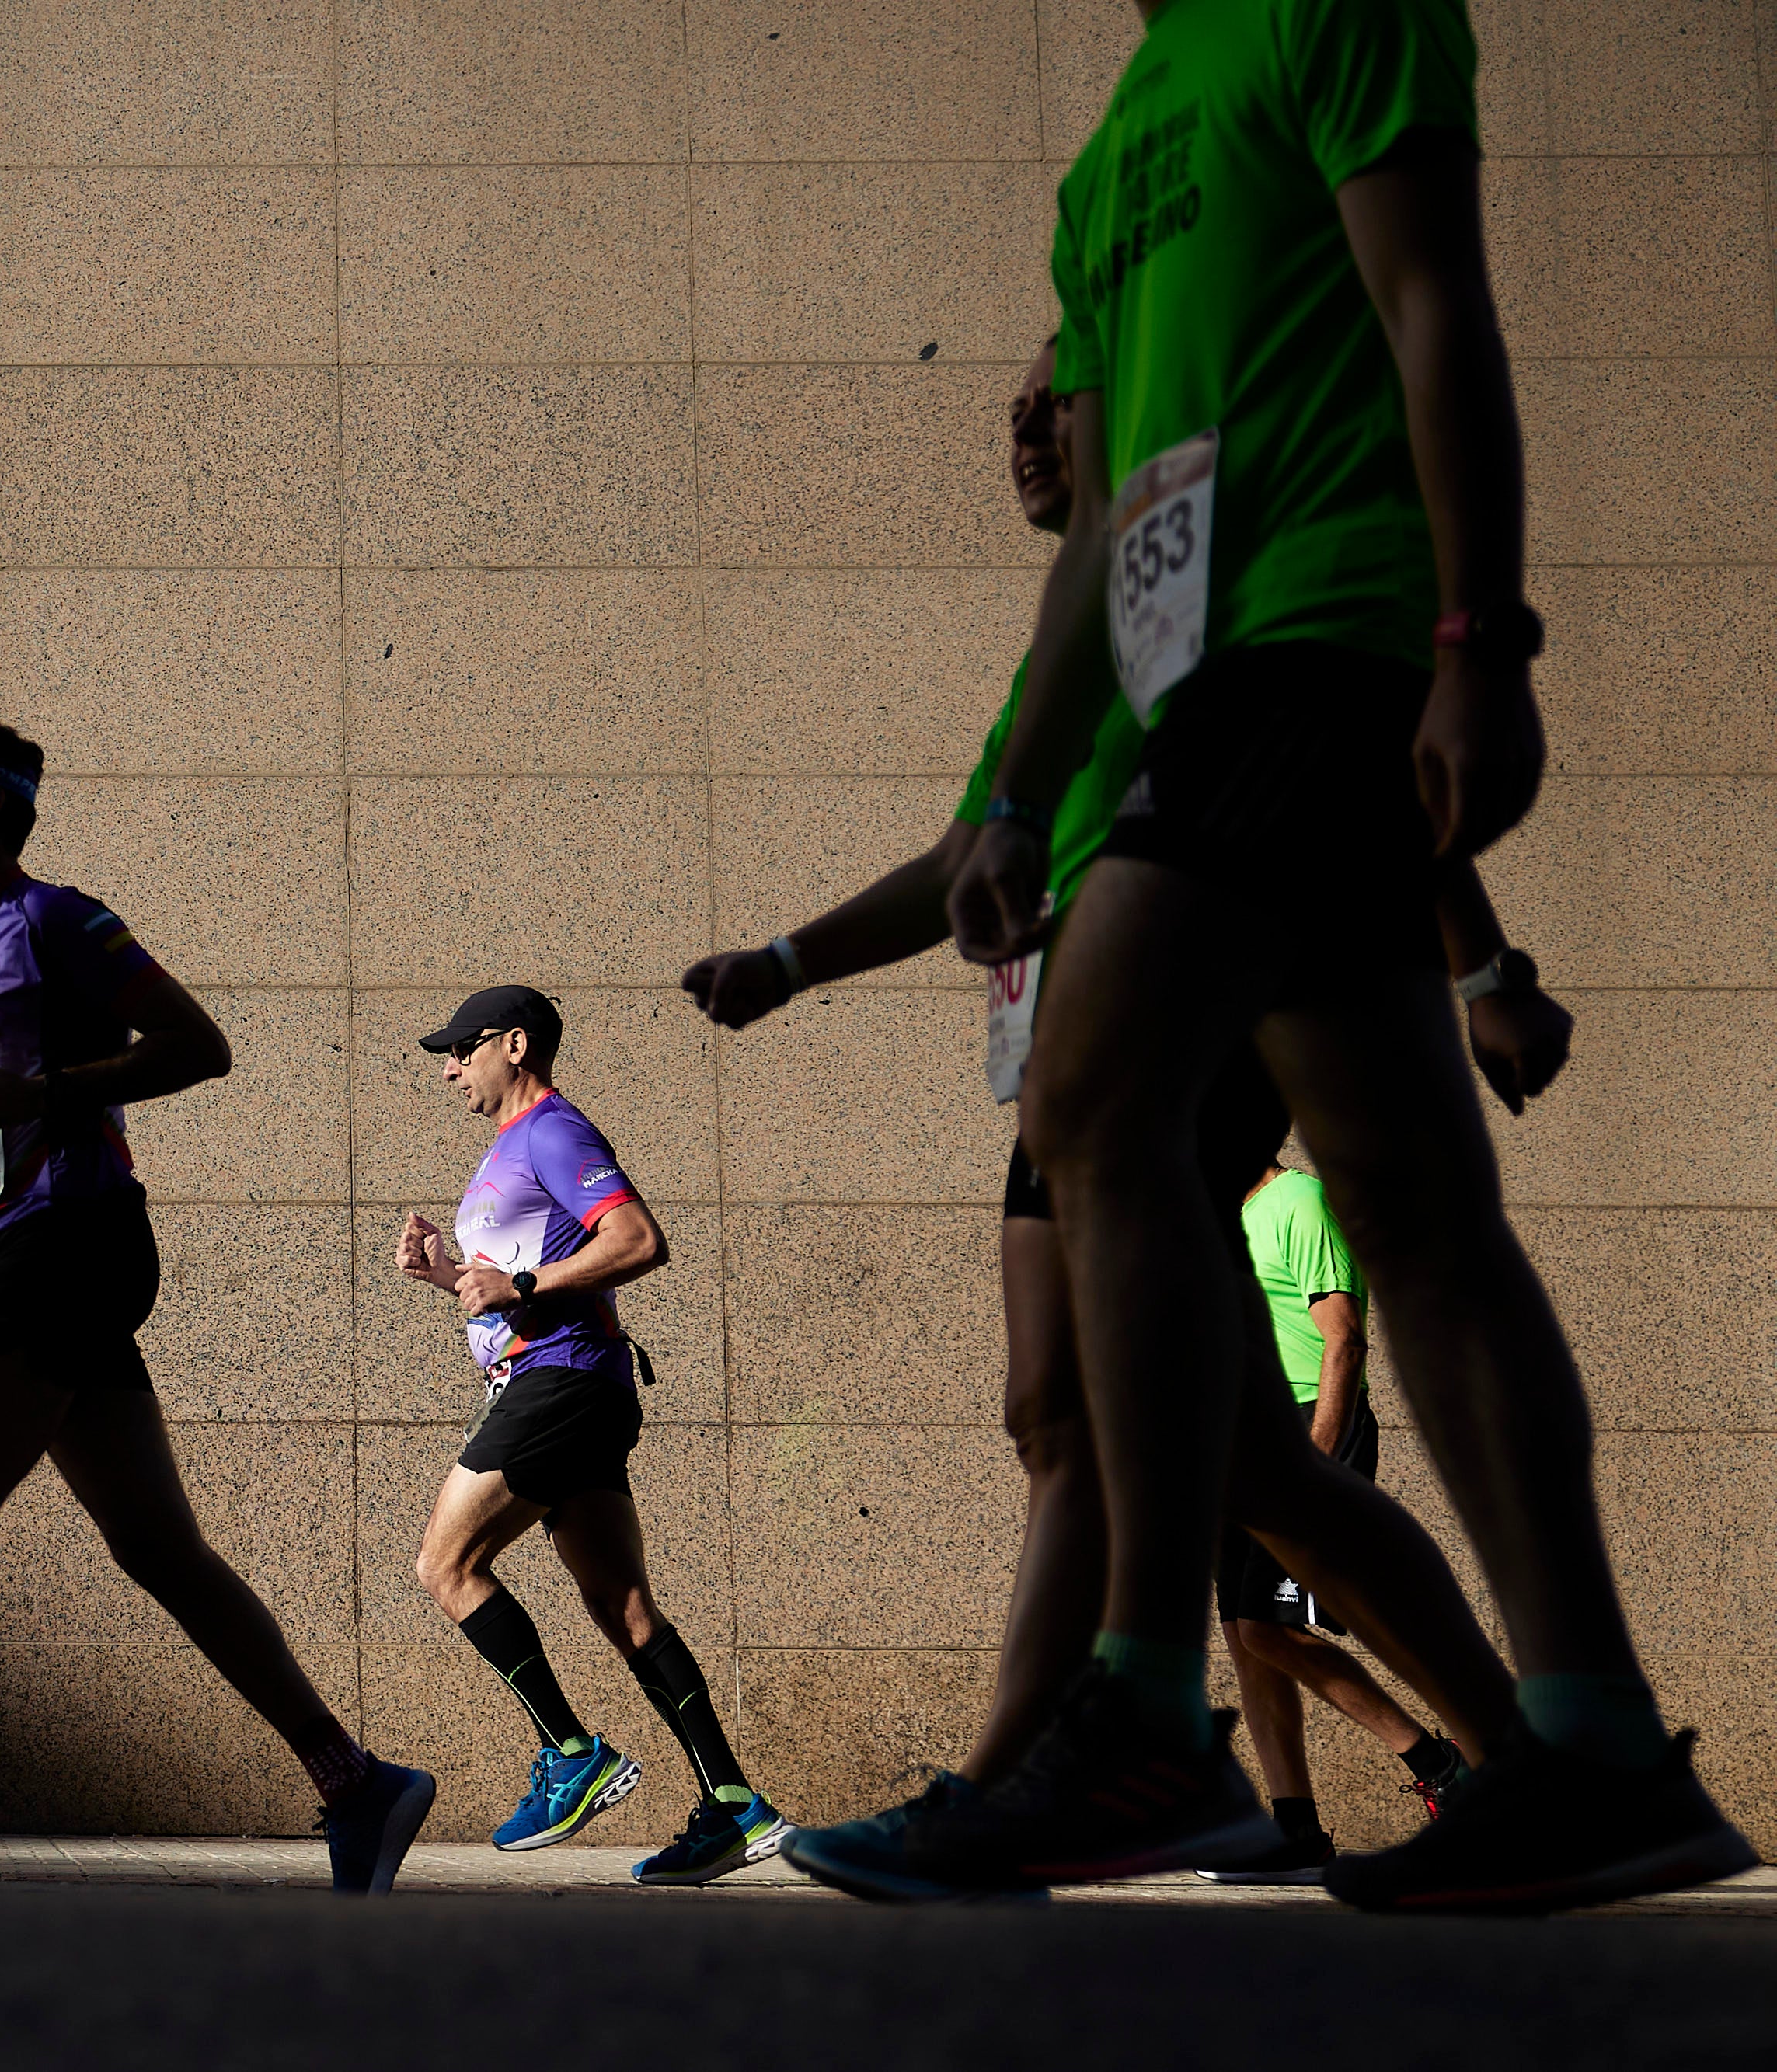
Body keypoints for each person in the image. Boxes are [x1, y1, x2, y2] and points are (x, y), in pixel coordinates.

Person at [930, 0, 1754, 1907]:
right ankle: (1598, 1742)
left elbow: (1435, 308)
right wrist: (1014, 791)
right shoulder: (1116, 136)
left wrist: (1480, 639)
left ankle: (1143, 1711)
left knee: (1097, 1099)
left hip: (1315, 634)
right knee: (1411, 1202)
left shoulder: (1330, 3)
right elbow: (1110, 515)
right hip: (1188, 680)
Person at [689, 339, 1542, 1903]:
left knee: (1077, 1412)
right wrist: (790, 960)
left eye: (1048, 405)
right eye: (1008, 413)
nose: (1020, 432)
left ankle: (1010, 1778)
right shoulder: (1066, 652)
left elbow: (1348, 771)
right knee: (1175, 1448)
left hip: (1190, 1018)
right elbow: (966, 854)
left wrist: (1480, 972)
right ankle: (1512, 1755)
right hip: (1073, 1050)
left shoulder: (1192, 600)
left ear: (1125, 423)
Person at [0, 720, 436, 1892]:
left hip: (74, 1245)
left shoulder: (58, 919)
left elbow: (202, 1045)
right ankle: (356, 1779)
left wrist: (42, 1085)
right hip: (29, 1243)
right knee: (155, 1544)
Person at [396, 987, 793, 1886]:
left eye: (463, 1049)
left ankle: (571, 1753)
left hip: (560, 1386)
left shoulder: (551, 1132)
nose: (450, 1068)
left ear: (515, 1044)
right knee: (623, 1609)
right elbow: (509, 1290)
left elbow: (640, 1240)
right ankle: (733, 1805)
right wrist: (449, 1277)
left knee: (444, 1566)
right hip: (574, 1385)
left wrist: (523, 1286)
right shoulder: (513, 1149)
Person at [1206, 1159, 1465, 1882]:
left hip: (1306, 1432)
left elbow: (1342, 1337)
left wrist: (1315, 1458)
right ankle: (1295, 1832)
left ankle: (1442, 1764)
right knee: (1246, 1637)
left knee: (1270, 1627)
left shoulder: (1301, 1200)